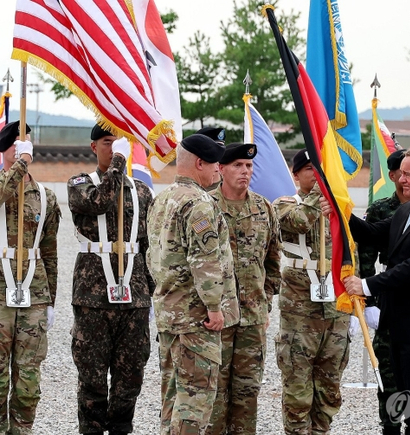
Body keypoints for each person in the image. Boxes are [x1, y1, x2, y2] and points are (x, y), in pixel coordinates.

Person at [324, 147, 410, 435]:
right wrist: (341, 212)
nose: (401, 180)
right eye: (400, 174)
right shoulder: (406, 211)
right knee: (408, 403)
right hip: (400, 325)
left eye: (408, 174)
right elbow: (373, 233)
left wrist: (365, 285)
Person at [147, 133, 237, 435]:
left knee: (172, 397)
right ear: (200, 163)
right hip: (196, 319)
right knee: (195, 399)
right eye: (215, 164)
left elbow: (152, 257)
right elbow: (205, 261)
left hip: (170, 315)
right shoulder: (199, 203)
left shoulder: (162, 199)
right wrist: (214, 307)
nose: (218, 170)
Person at [68, 125, 154, 435]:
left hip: (134, 296)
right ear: (94, 147)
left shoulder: (142, 192)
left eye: (119, 144)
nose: (114, 148)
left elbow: (149, 245)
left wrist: (148, 289)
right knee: (92, 375)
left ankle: (120, 427)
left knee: (131, 373)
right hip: (93, 296)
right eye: (108, 143)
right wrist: (118, 161)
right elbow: (100, 201)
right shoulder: (80, 184)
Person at [205, 143, 282, 435]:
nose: (245, 171)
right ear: (221, 169)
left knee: (247, 392)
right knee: (214, 391)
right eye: (237, 165)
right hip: (217, 318)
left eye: (249, 166)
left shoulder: (263, 208)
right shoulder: (206, 206)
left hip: (252, 318)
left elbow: (273, 261)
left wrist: (266, 303)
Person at [272, 149, 350, 435]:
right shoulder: (284, 204)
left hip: (335, 309)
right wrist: (319, 197)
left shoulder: (338, 207)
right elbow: (298, 222)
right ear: (295, 175)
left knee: (330, 384)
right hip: (299, 310)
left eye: (320, 170)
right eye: (309, 169)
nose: (316, 175)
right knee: (297, 384)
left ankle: (320, 431)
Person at [0, 121, 60, 435]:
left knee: (28, 379)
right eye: (16, 144)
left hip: (34, 294)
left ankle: (22, 430)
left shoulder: (46, 197)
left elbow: (49, 252)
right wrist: (20, 165)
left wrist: (52, 299)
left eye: (27, 144)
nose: (23, 149)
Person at [358, 149, 406, 435]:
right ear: (393, 176)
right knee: (387, 364)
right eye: (404, 171)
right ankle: (390, 425)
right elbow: (366, 257)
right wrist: (370, 301)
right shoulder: (380, 210)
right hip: (389, 291)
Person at [196, 126, 226, 192]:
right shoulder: (187, 191)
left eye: (221, 149)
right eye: (214, 150)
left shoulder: (230, 188)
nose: (219, 154)